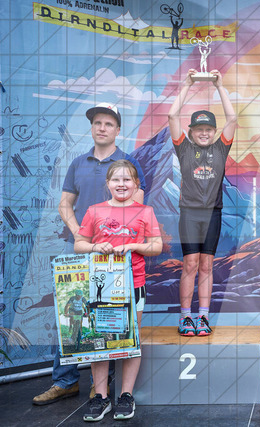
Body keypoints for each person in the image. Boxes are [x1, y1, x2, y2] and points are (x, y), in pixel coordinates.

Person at [33, 103, 146, 405]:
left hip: (114, 255)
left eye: (108, 123)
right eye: (97, 123)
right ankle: (65, 381)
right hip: (82, 249)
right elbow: (65, 204)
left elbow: (137, 206)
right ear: (92, 127)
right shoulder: (77, 163)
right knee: (71, 315)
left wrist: (110, 238)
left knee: (109, 317)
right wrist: (81, 233)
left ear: (118, 129)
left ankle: (102, 386)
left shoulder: (128, 163)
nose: (102, 128)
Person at [75, 160, 162, 421]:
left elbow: (156, 246)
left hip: (134, 284)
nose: (121, 184)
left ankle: (126, 395)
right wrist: (95, 247)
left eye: (127, 180)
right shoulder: (94, 211)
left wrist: (133, 246)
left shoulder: (145, 212)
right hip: (100, 287)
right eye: (116, 179)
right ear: (108, 184)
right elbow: (79, 244)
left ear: (136, 184)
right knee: (99, 340)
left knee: (131, 339)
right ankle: (101, 397)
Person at [168, 68, 237, 336]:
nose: (204, 133)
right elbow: (172, 116)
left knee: (207, 265)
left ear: (214, 131)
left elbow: (232, 118)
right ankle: (186, 317)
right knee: (190, 264)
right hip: (189, 213)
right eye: (199, 129)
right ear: (192, 132)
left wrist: (219, 86)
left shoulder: (221, 148)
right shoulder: (184, 149)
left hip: (213, 214)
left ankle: (203, 317)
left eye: (209, 129)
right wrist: (186, 84)